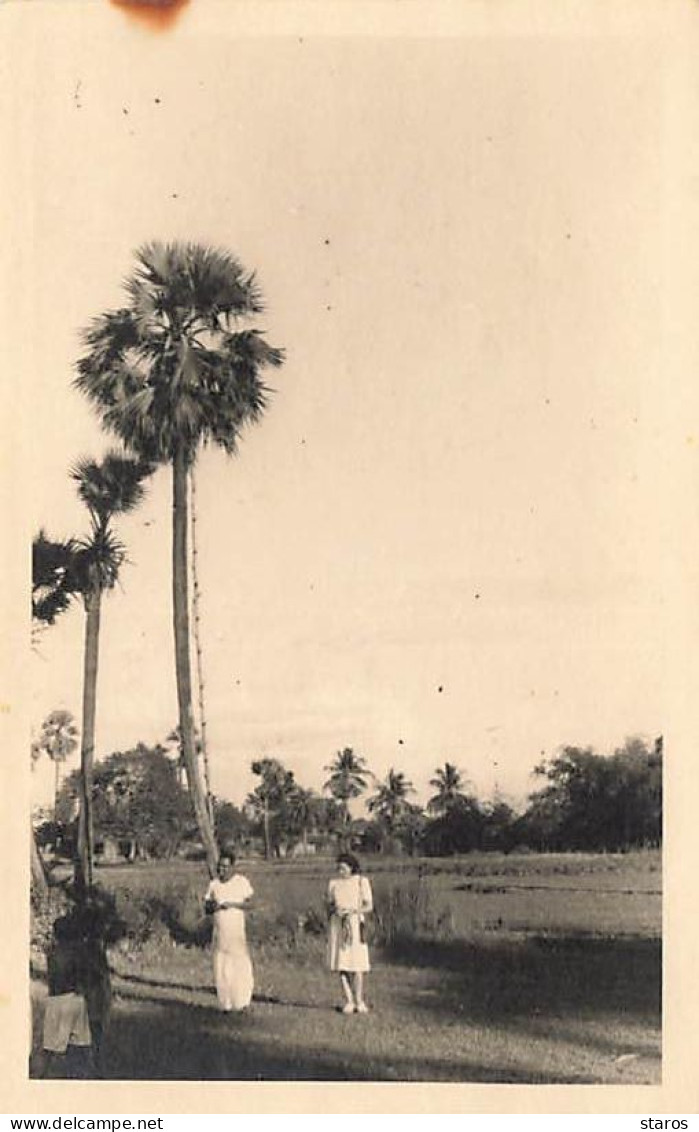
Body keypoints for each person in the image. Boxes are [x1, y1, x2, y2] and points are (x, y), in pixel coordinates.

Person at [204, 851, 254, 1012]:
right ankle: (225, 1002)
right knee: (222, 967)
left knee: (240, 965)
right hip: (221, 933)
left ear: (232, 867)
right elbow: (207, 907)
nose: (223, 870)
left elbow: (250, 904)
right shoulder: (214, 885)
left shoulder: (241, 882)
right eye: (220, 867)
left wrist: (232, 904)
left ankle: (242, 1001)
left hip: (236, 933)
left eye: (226, 867)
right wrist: (215, 906)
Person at [326, 852, 373, 1014]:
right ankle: (349, 1000)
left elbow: (368, 906)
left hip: (354, 925)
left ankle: (359, 1000)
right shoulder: (333, 884)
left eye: (344, 868)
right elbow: (329, 904)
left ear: (351, 868)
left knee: (357, 963)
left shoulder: (361, 882)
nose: (341, 872)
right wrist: (335, 911)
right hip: (338, 926)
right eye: (338, 869)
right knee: (342, 964)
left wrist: (352, 910)